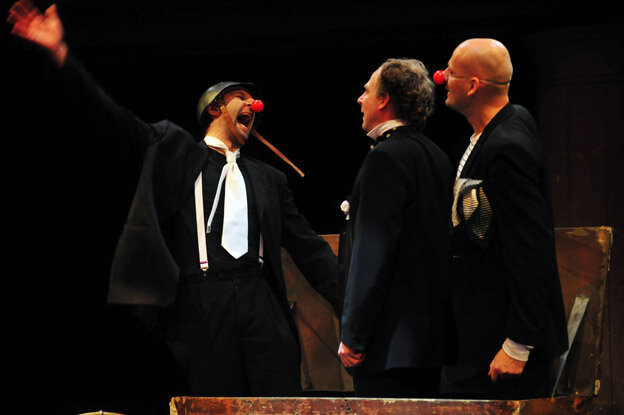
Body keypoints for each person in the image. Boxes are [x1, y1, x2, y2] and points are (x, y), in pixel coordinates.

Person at [7, 0, 340, 397]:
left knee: (277, 400)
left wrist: (354, 316)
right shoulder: (177, 151)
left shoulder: (270, 179)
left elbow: (310, 251)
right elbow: (115, 121)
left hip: (261, 303)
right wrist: (63, 55)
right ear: (215, 107)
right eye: (241, 97)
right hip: (203, 304)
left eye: (254, 100)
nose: (253, 105)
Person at [441, 38, 568, 399]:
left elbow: (530, 247)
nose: (443, 77)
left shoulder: (507, 145)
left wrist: (518, 344)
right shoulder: (500, 127)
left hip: (504, 344)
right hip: (482, 335)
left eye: (451, 71)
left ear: (472, 85)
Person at [337, 58, 453, 398]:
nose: (360, 99)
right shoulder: (436, 155)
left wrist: (353, 335)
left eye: (367, 91)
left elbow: (373, 253)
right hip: (428, 344)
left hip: (388, 347)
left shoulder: (385, 157)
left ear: (384, 99)